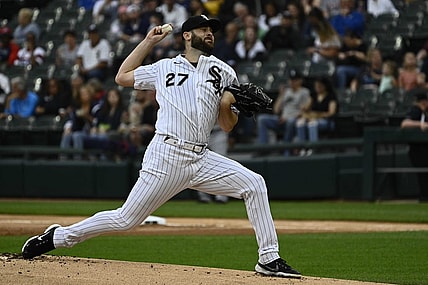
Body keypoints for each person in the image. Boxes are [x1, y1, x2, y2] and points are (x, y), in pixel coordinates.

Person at [21, 15, 302, 279]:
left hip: (201, 157)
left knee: (254, 184)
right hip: (166, 155)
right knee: (125, 220)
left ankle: (268, 258)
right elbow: (122, 77)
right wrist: (148, 42)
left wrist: (227, 104)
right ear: (187, 35)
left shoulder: (224, 72)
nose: (210, 34)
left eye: (212, 31)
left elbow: (227, 126)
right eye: (204, 30)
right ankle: (59, 237)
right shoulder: (164, 66)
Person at [257, 69, 310, 152]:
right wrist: (281, 95)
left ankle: (285, 149)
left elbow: (304, 111)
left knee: (291, 121)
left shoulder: (304, 92)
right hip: (282, 120)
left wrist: (288, 118)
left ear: (300, 80)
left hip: (295, 120)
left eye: (294, 80)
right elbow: (276, 110)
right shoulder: (286, 92)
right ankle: (263, 149)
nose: (292, 82)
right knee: (262, 119)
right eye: (291, 79)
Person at [296, 77, 338, 156]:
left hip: (326, 120)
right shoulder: (314, 96)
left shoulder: (331, 96)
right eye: (316, 86)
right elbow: (306, 108)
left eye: (319, 86)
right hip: (313, 118)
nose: (317, 88)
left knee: (312, 124)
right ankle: (302, 148)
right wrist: (304, 110)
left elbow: (331, 113)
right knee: (300, 123)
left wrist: (318, 115)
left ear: (324, 86)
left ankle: (313, 149)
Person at [400, 90, 428, 202]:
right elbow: (404, 124)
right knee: (423, 174)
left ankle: (424, 196)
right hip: (418, 149)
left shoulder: (424, 113)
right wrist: (421, 124)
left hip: (423, 148)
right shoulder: (416, 111)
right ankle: (424, 196)